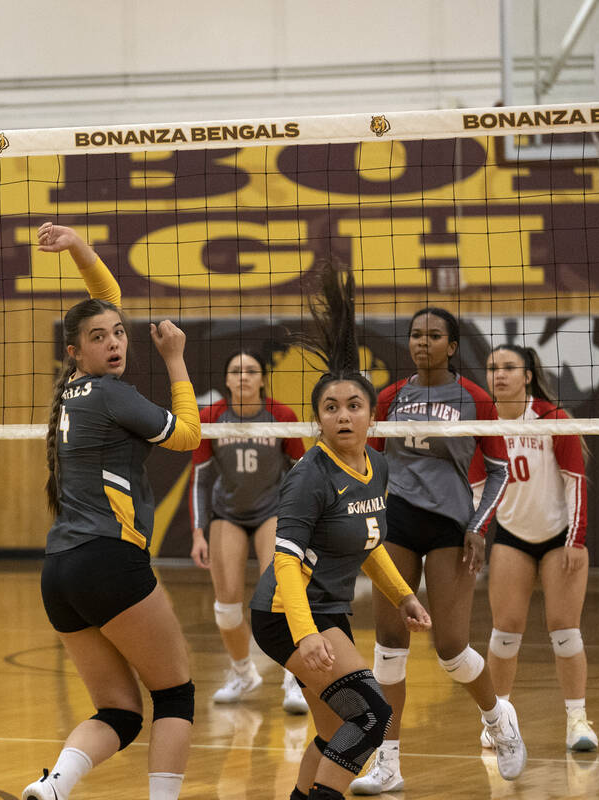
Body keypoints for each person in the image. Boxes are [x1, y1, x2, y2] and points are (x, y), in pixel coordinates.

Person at [22, 222, 200, 800]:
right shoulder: (112, 394)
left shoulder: (75, 388)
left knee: (119, 711)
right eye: (100, 337)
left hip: (59, 571)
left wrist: (78, 247)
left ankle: (51, 789)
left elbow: (104, 301)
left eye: (118, 333)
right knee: (174, 695)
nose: (115, 342)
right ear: (75, 352)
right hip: (109, 561)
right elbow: (187, 438)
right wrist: (174, 358)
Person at [249, 262, 432, 800]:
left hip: (326, 610)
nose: (343, 416)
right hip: (286, 612)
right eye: (331, 408)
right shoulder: (309, 477)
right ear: (319, 420)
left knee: (334, 730)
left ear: (371, 415)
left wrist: (403, 597)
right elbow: (284, 563)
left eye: (354, 406)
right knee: (371, 717)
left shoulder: (378, 465)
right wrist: (306, 635)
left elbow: (367, 543)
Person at [350, 307, 524, 795]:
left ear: (452, 346)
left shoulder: (475, 398)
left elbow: (499, 470)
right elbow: (372, 463)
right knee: (388, 643)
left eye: (433, 335)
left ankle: (499, 719)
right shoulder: (389, 397)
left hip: (451, 524)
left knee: (449, 646)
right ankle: (388, 763)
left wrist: (478, 526)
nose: (422, 342)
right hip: (397, 521)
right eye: (415, 335)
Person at [473, 344, 596, 751]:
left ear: (527, 376)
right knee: (504, 633)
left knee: (565, 633)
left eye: (509, 367)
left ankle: (577, 720)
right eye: (492, 368)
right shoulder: (483, 424)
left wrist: (575, 540)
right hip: (513, 536)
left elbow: (574, 481)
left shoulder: (552, 419)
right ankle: (499, 722)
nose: (499, 375)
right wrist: (475, 535)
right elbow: (478, 492)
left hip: (559, 536)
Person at [189, 350, 308, 712]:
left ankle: (294, 680)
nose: (243, 377)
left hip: (272, 512)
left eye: (251, 371)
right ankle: (242, 672)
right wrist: (198, 531)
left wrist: (302, 523)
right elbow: (201, 479)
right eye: (236, 370)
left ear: (261, 379)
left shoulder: (281, 416)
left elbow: (301, 473)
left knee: (282, 597)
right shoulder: (210, 418)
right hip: (228, 515)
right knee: (226, 608)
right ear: (226, 380)